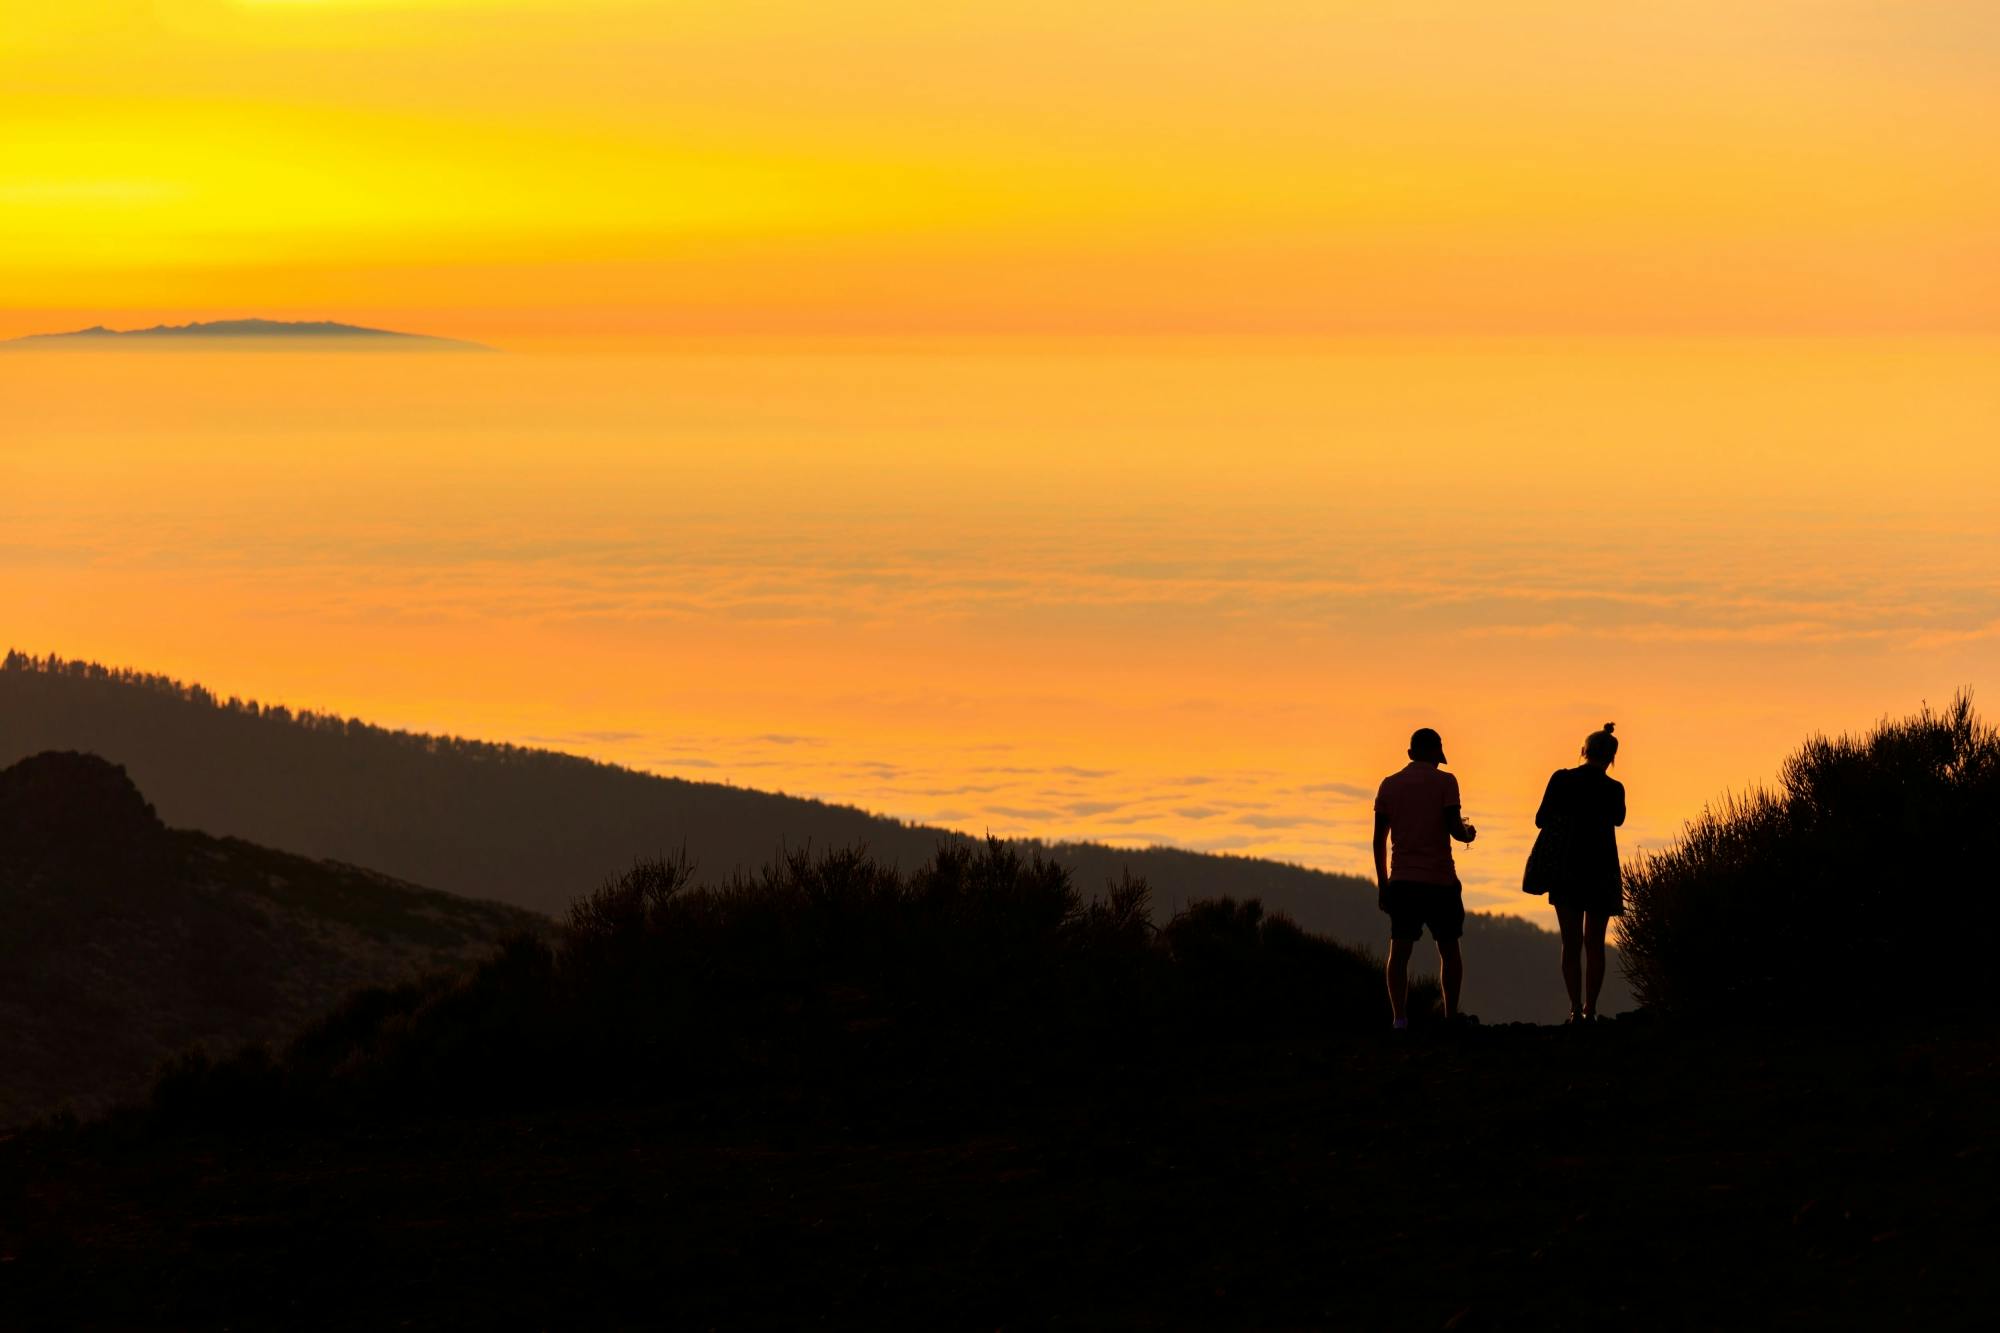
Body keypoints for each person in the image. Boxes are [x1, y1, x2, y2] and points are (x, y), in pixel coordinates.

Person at [1373, 727, 1477, 1030]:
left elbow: (1379, 839)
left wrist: (1384, 885)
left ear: (1409, 754)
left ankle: (1399, 1019)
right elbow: (1455, 828)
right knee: (1449, 949)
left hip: (1403, 881)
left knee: (1400, 950)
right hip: (1440, 880)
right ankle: (1450, 1016)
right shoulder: (1446, 781)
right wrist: (1469, 833)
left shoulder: (1389, 785)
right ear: (1436, 755)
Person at [1529, 722, 1626, 1023]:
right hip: (1601, 868)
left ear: (1582, 751)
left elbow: (1540, 818)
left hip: (1566, 868)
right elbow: (1618, 820)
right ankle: (1591, 1009)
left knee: (1570, 943)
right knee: (1594, 943)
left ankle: (1574, 1008)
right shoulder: (1614, 788)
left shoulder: (1561, 780)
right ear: (1611, 758)